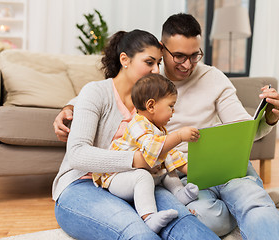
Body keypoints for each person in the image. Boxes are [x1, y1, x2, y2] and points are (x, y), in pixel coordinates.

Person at [54, 14, 279, 240]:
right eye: (178, 56)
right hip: (165, 172)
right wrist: (69, 108)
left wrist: (268, 119)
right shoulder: (149, 85)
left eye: (194, 55)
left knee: (246, 205)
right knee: (195, 221)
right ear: (162, 48)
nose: (187, 64)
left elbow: (243, 128)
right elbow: (102, 96)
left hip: (201, 167)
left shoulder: (202, 79)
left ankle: (253, 202)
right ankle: (249, 203)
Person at [52, 29, 220, 240]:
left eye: (158, 63)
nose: (156, 70)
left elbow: (163, 147)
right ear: (125, 59)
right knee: (139, 233)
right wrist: (137, 160)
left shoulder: (152, 105)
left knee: (183, 222)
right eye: (149, 63)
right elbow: (77, 154)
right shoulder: (96, 92)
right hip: (83, 183)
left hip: (141, 181)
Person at [93, 73, 200, 233]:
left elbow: (172, 156)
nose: (173, 111)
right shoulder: (137, 124)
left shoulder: (159, 129)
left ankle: (179, 193)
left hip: (138, 175)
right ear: (151, 106)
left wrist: (198, 171)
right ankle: (149, 217)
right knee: (143, 176)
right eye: (171, 106)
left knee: (167, 168)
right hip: (117, 177)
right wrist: (178, 136)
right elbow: (152, 149)